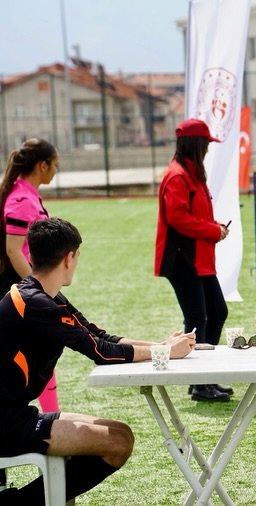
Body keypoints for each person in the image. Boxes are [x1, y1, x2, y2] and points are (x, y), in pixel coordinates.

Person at [0, 217, 196, 503]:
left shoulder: (45, 297)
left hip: (15, 415)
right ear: (69, 258)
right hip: (7, 425)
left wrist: (164, 345)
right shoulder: (36, 303)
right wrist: (164, 353)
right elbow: (101, 353)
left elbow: (101, 337)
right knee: (115, 444)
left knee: (122, 434)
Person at [155, 118, 232, 402]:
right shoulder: (178, 176)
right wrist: (213, 230)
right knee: (198, 318)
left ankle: (203, 379)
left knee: (217, 312)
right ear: (196, 145)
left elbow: (192, 215)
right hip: (182, 258)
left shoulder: (191, 174)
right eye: (206, 144)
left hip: (197, 258)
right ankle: (200, 383)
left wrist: (215, 225)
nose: (209, 149)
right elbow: (177, 218)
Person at [0, 139, 60, 417]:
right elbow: (14, 249)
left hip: (22, 288)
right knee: (35, 355)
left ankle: (51, 416)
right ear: (42, 165)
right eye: (55, 165)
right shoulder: (21, 199)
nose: (56, 171)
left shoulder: (27, 194)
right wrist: (40, 289)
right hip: (17, 291)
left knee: (43, 353)